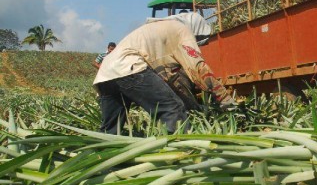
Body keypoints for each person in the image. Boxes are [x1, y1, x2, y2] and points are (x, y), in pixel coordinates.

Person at [93, 12, 236, 134]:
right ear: (196, 30)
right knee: (172, 108)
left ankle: (102, 162)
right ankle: (181, 154)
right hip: (129, 67)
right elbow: (198, 68)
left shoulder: (160, 31)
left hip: (105, 75)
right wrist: (223, 98)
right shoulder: (183, 30)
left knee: (111, 127)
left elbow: (167, 80)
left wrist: (192, 105)